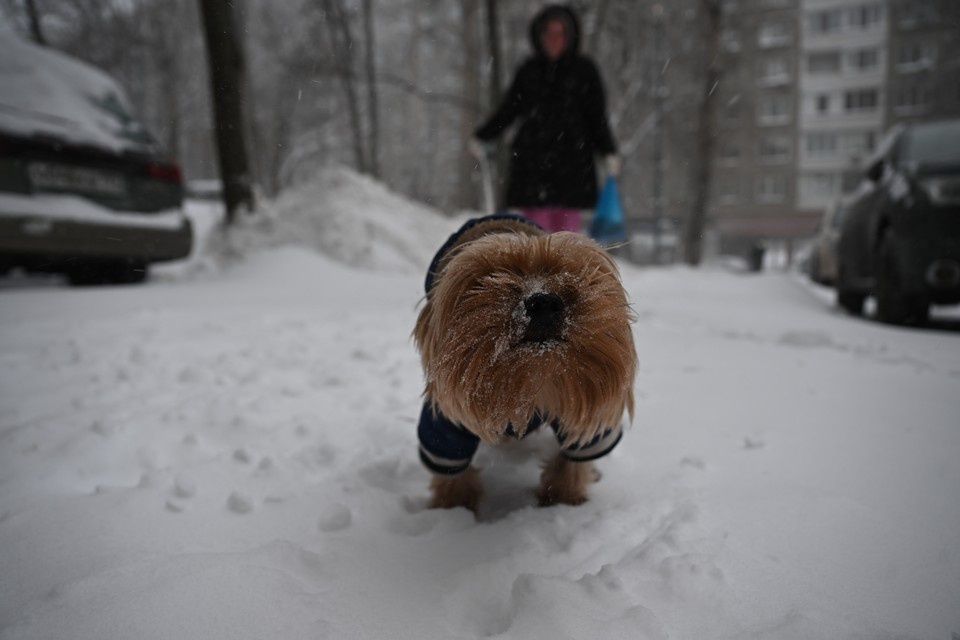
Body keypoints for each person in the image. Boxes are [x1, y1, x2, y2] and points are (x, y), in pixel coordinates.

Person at [470, 4, 621, 234]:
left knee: (566, 239)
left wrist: (608, 151)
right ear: (539, 36)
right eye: (548, 33)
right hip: (533, 167)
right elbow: (508, 111)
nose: (554, 40)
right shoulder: (529, 71)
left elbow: (596, 117)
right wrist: (483, 136)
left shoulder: (584, 72)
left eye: (559, 33)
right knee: (536, 235)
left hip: (573, 167)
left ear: (570, 36)